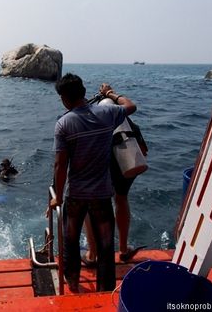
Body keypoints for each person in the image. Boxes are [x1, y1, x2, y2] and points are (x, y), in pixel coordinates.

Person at [49, 73, 136, 292]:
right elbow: (131, 106)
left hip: (75, 195)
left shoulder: (64, 123)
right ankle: (105, 291)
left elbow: (60, 166)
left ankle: (74, 283)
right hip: (102, 195)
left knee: (70, 241)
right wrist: (110, 94)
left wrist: (58, 197)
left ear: (64, 99)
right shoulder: (107, 113)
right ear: (84, 92)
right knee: (106, 246)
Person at [82, 126, 148, 267]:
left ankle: (92, 254)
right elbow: (143, 151)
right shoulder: (125, 121)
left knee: (90, 205)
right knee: (121, 198)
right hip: (127, 164)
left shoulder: (91, 119)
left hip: (103, 164)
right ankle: (123, 250)